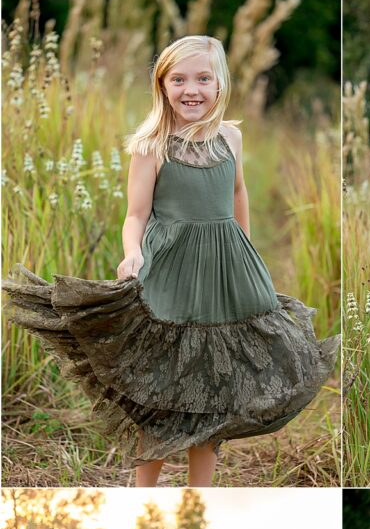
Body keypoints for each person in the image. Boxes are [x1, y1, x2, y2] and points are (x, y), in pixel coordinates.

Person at [2, 35, 338, 487]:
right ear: (162, 86)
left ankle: (201, 494)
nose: (191, 90)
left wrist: (246, 248)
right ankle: (145, 491)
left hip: (226, 266)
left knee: (215, 390)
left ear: (220, 85)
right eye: (178, 79)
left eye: (203, 79)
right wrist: (132, 253)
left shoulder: (230, 137)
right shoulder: (152, 145)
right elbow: (136, 214)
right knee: (163, 384)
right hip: (171, 266)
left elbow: (238, 193)